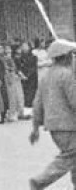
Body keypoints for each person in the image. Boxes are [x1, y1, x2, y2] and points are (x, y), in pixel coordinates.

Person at [29, 39, 76, 189]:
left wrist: (35, 127)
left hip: (54, 127)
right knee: (70, 155)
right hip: (69, 125)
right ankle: (41, 180)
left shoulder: (46, 76)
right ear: (66, 56)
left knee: (73, 156)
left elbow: (37, 103)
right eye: (72, 54)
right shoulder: (67, 75)